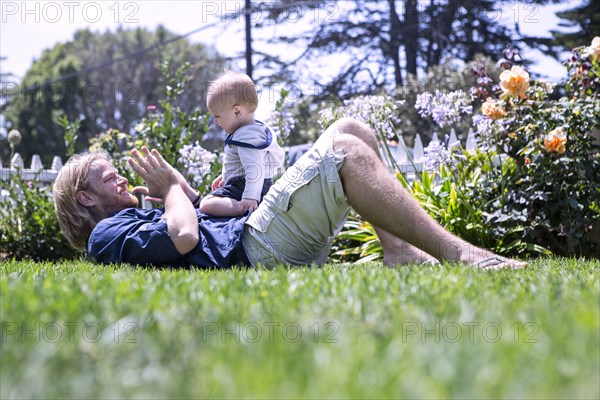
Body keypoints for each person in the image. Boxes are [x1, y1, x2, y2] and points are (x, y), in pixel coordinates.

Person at [53, 118, 527, 270]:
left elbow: (194, 220)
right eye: (106, 177)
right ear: (87, 200)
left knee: (350, 126)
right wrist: (173, 190)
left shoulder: (128, 223)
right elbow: (182, 237)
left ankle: (400, 252)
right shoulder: (106, 235)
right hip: (255, 249)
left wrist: (189, 191)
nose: (119, 179)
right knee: (343, 149)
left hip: (250, 234)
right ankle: (462, 256)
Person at [199, 71, 285, 216]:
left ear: (237, 112)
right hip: (259, 186)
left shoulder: (245, 136)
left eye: (217, 116)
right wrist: (227, 175)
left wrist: (249, 197)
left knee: (206, 204)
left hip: (246, 188)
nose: (215, 121)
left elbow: (255, 168)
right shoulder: (257, 130)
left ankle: (242, 207)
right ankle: (249, 204)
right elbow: (247, 163)